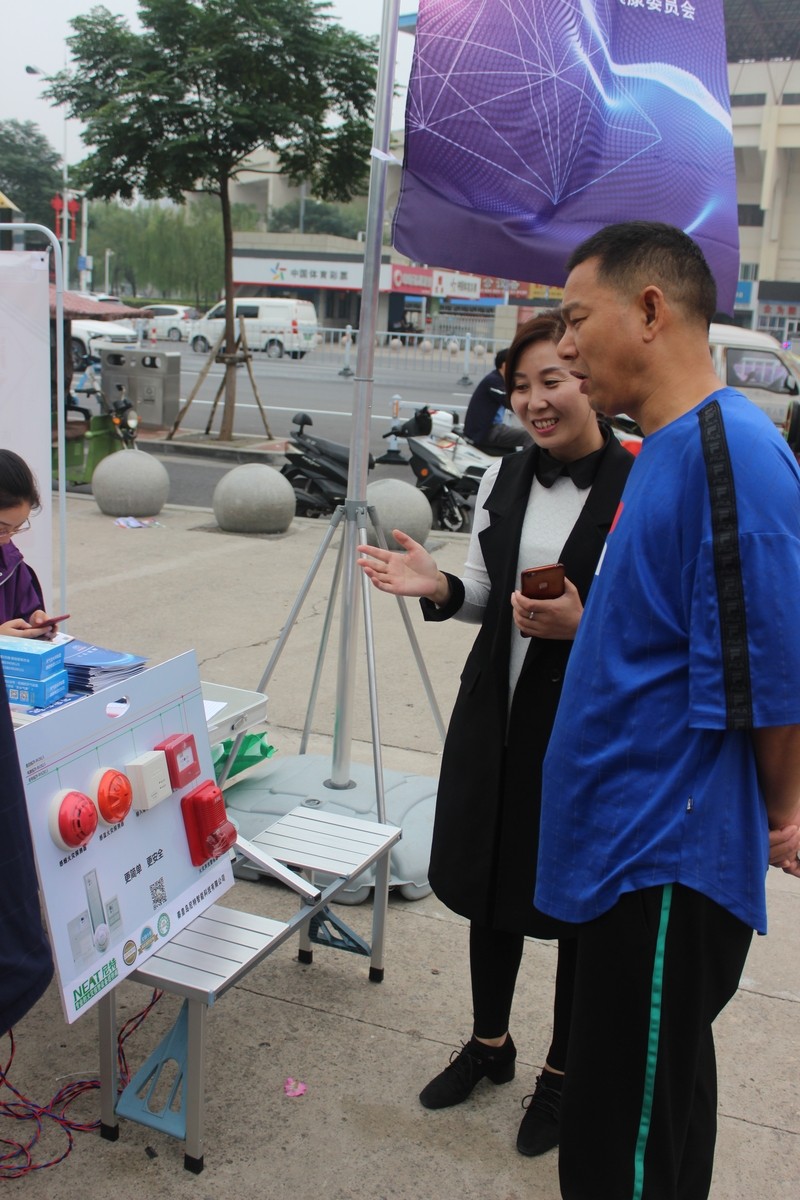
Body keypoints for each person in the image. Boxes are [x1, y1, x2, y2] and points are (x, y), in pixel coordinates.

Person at [535, 221, 800, 1199]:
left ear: (650, 310)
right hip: (625, 850)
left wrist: (784, 810)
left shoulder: (732, 455)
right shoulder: (666, 451)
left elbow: (771, 673)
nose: (564, 347)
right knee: (654, 1114)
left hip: (661, 859)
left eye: (576, 320)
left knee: (620, 1154)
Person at [357, 313, 634, 1156]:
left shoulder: (640, 483)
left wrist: (586, 624)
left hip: (586, 731)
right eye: (519, 386)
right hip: (497, 713)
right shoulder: (503, 474)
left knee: (576, 904)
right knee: (489, 879)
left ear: (589, 379)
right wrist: (438, 584)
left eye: (552, 380)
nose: (534, 401)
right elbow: (484, 592)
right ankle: (490, 1045)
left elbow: (661, 621)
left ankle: (561, 1074)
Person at [0, 450, 61, 639]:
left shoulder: (9, 562)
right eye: (1, 529)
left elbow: (24, 610)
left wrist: (33, 621)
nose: (6, 540)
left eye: (17, 528)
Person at [463, 348, 531, 453]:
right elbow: (509, 401)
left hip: (490, 428)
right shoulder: (493, 381)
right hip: (486, 431)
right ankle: (529, 463)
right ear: (505, 365)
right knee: (529, 435)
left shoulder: (499, 379)